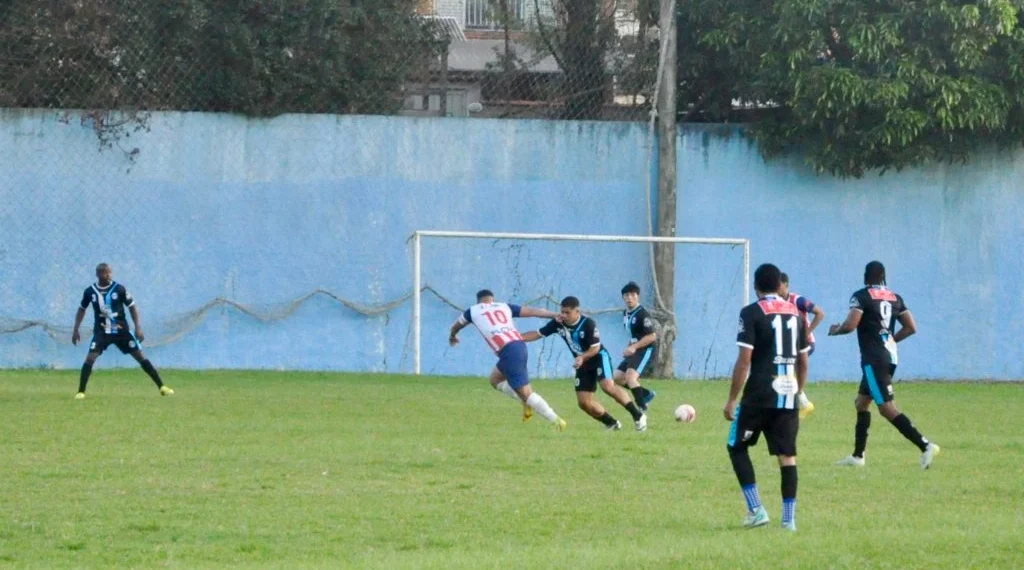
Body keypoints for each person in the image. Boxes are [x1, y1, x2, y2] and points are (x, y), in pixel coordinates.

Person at [828, 261, 940, 469]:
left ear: (865, 276)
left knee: (887, 408)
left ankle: (925, 445)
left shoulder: (861, 296)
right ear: (883, 277)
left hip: (874, 359)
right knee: (862, 403)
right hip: (888, 356)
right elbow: (911, 327)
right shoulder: (895, 298)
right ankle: (858, 456)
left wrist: (836, 330)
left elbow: (852, 324)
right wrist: (890, 341)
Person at [724, 263, 809, 531]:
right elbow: (803, 361)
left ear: (756, 287)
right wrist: (798, 390)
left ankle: (756, 509)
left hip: (759, 395)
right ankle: (789, 520)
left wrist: (732, 399)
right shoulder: (797, 314)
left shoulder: (751, 312)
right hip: (788, 395)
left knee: (736, 446)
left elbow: (744, 361)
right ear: (779, 284)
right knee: (787, 456)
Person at [522, 296, 647, 431]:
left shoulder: (588, 324)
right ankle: (612, 423)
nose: (564, 315)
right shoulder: (558, 323)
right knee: (584, 403)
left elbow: (595, 348)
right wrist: (515, 338)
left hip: (598, 357)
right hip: (582, 363)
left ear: (577, 311)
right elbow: (538, 334)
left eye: (567, 312)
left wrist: (582, 357)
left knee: (607, 386)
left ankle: (638, 415)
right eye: (562, 312)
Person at [449, 289, 567, 430]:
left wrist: (453, 335)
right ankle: (526, 402)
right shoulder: (503, 306)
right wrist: (554, 315)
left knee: (526, 393)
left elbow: (457, 325)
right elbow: (531, 311)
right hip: (518, 345)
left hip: (509, 351)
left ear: (478, 301)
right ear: (492, 299)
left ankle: (556, 420)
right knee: (495, 380)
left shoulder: (472, 311)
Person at [71, 263, 173, 399]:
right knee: (90, 358)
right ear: (98, 274)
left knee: (140, 356)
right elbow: (81, 309)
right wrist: (76, 329)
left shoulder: (119, 289)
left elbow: (132, 307)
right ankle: (81, 392)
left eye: (109, 273)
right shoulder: (90, 292)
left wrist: (138, 327)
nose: (108, 275)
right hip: (102, 332)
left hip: (121, 332)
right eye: (105, 273)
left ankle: (162, 387)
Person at [779, 272, 825, 419]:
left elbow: (819, 313)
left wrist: (807, 332)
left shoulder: (797, 300)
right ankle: (801, 404)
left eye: (778, 285)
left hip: (806, 344)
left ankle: (801, 404)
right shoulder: (777, 301)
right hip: (790, 344)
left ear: (786, 285)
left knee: (788, 370)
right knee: (786, 371)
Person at [613, 282, 657, 410]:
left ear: (638, 296)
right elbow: (634, 334)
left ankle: (642, 409)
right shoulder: (626, 313)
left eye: (633, 295)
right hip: (635, 349)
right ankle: (646, 394)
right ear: (623, 297)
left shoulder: (642, 314)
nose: (629, 298)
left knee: (630, 378)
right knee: (617, 377)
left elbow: (652, 336)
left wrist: (633, 347)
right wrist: (629, 347)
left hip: (646, 349)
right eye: (626, 295)